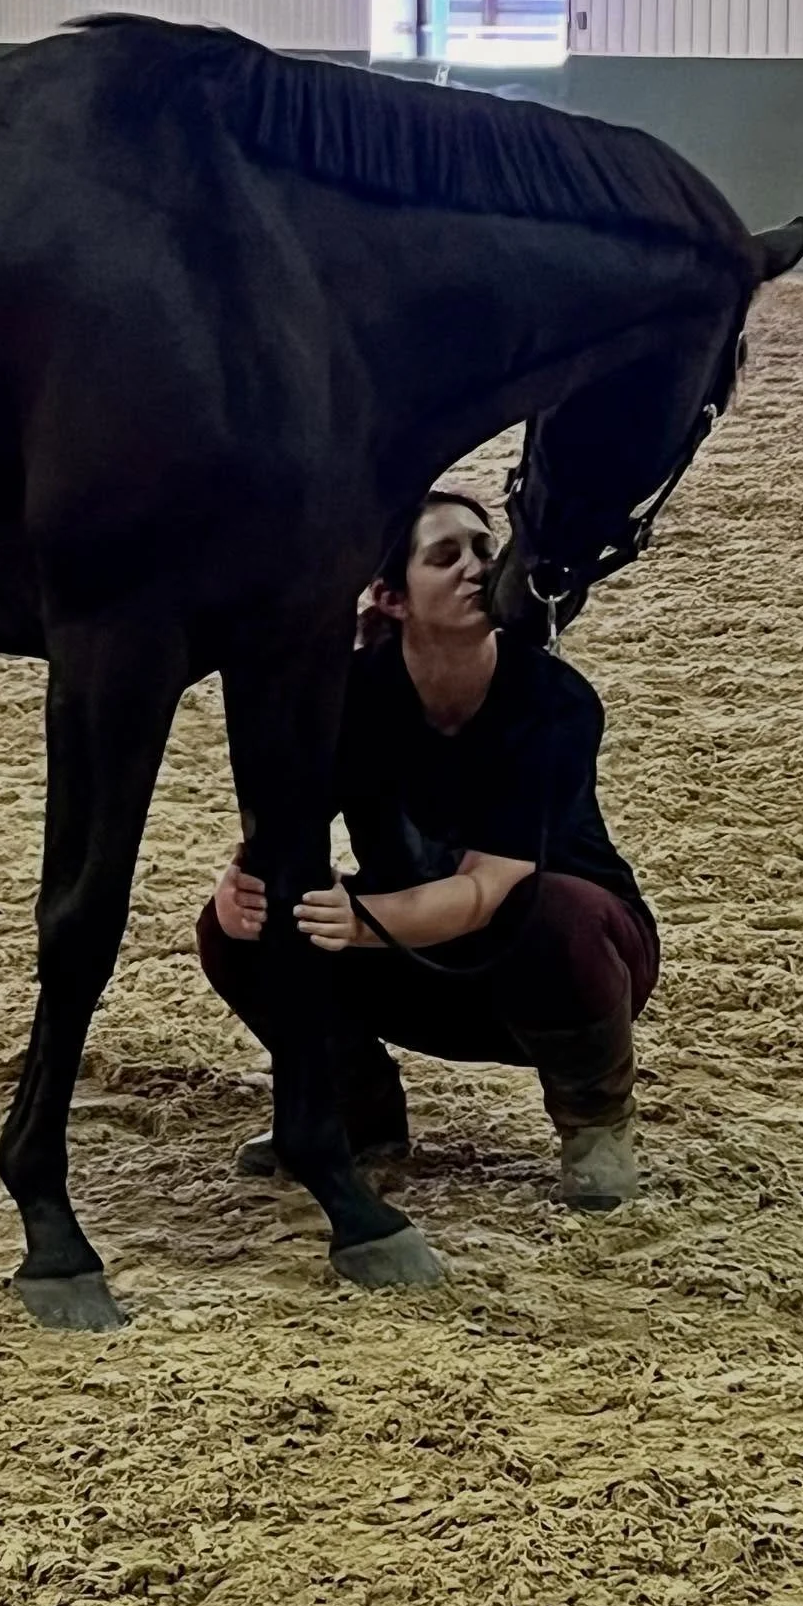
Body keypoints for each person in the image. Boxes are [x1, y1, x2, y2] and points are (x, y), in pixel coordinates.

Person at [195, 490, 660, 1209]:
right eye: (446, 557)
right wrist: (241, 892)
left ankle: (596, 1122)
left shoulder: (553, 698)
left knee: (549, 909)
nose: (478, 568)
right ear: (390, 596)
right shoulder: (349, 696)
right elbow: (280, 834)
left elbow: (485, 888)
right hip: (419, 953)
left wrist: (357, 921)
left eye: (485, 549)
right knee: (236, 933)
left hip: (569, 967)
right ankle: (357, 1109)